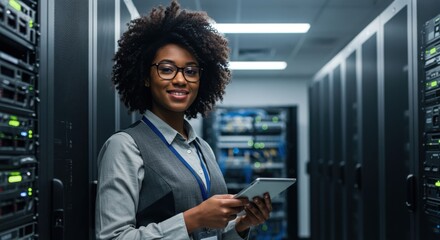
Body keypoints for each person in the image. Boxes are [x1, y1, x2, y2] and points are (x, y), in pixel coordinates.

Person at [95, 1, 273, 239]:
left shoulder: (203, 149)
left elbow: (212, 234)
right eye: (167, 69)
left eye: (191, 71)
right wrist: (193, 219)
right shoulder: (125, 146)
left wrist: (241, 225)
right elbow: (113, 237)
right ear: (146, 78)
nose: (180, 80)